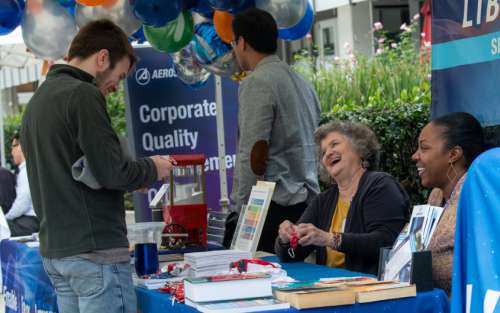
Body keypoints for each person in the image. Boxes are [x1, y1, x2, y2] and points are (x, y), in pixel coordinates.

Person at [20, 20, 174, 313]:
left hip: (58, 252)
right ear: (102, 57)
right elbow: (112, 171)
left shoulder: (39, 100)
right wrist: (153, 168)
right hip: (94, 252)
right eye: (119, 75)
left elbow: (78, 169)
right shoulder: (83, 94)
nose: (115, 87)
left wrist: (129, 174)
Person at [228, 8, 321, 252]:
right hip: (307, 201)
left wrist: (242, 207)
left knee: (263, 282)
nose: (234, 49)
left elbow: (254, 151)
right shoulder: (303, 82)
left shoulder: (257, 82)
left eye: (233, 42)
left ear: (243, 42)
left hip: (270, 206)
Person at [275, 121, 410, 275]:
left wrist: (330, 239)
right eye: (324, 152)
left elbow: (386, 241)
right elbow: (292, 255)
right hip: (327, 288)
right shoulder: (323, 201)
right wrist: (286, 239)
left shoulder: (381, 185)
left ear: (359, 148)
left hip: (369, 290)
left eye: (334, 144)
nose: (328, 153)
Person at [412, 112, 485, 294]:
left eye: (424, 148)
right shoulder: (436, 195)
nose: (415, 156)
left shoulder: (476, 198)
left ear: (453, 154)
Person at [5, 133, 38, 236]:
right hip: (29, 220)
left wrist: (6, 217)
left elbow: (22, 202)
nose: (11, 152)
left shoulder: (27, 170)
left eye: (13, 147)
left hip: (30, 222)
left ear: (21, 146)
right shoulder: (29, 168)